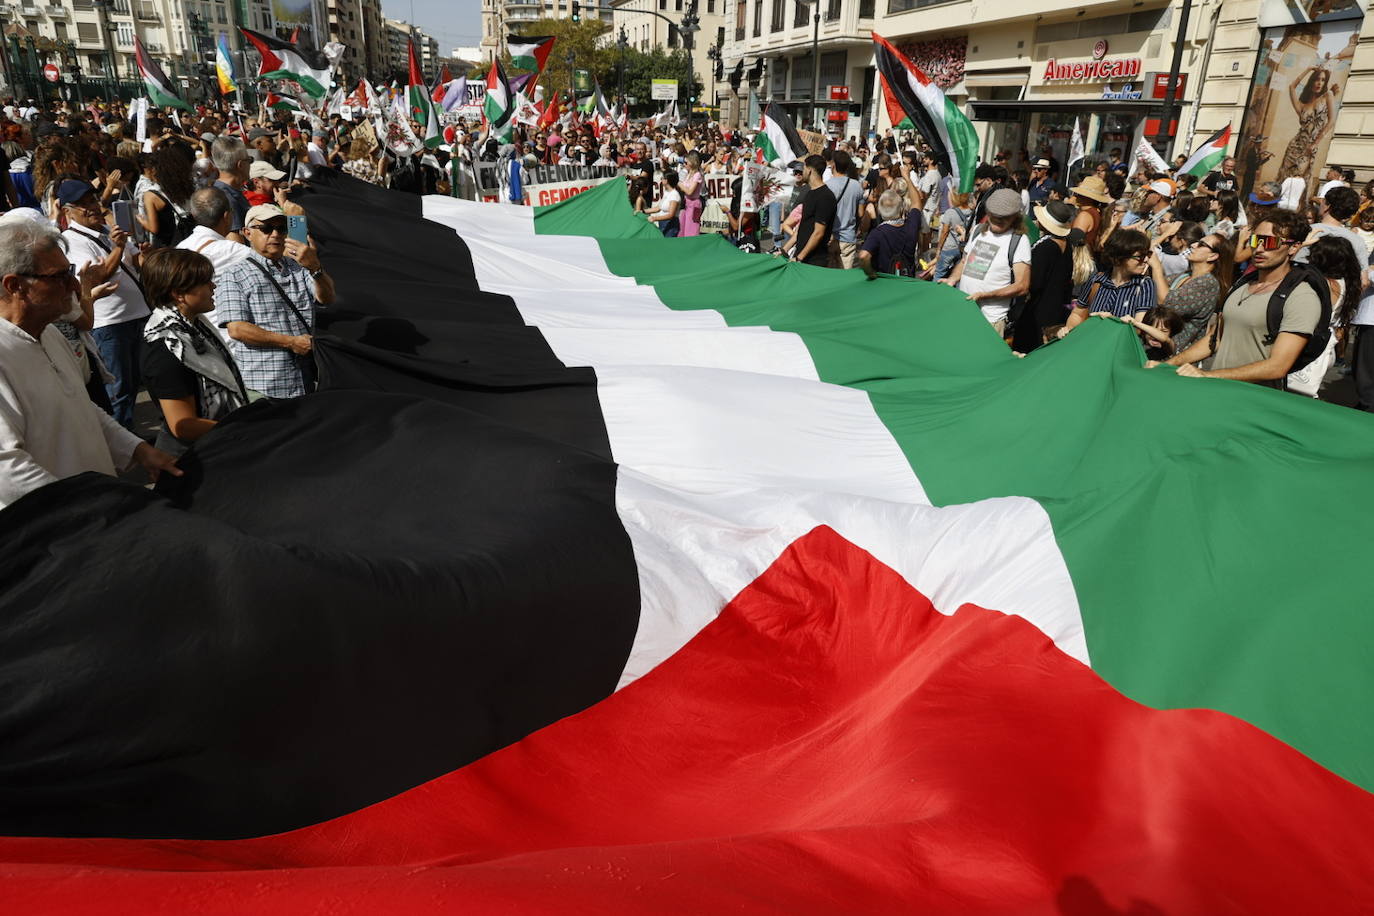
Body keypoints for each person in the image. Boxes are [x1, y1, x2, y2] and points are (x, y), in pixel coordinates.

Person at [0, 219, 180, 508]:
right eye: (60, 276)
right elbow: (7, 469)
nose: (75, 285)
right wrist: (87, 511)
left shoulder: (50, 334)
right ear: (15, 285)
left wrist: (137, 449)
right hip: (55, 532)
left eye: (70, 272)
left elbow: (81, 407)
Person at [1164, 211, 1321, 387]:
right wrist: (1167, 365)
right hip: (1216, 391)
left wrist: (1208, 375)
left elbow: (1278, 366)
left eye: (1270, 242)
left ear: (1294, 247)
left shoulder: (1301, 296)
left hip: (1253, 401)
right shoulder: (1241, 285)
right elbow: (1214, 340)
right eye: (1255, 240)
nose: (1259, 248)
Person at [58, 178, 152, 430]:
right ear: (68, 211)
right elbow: (94, 277)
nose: (91, 208)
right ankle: (119, 448)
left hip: (137, 315)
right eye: (82, 205)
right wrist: (119, 248)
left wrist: (144, 251)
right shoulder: (70, 240)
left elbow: (136, 262)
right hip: (110, 323)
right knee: (118, 388)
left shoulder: (107, 231)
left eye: (92, 200)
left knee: (135, 382)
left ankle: (130, 438)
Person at [215, 204, 334, 399]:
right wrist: (291, 342)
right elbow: (237, 329)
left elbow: (327, 298)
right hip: (267, 382)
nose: (276, 234)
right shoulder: (234, 274)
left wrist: (316, 268)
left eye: (281, 228)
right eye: (266, 228)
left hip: (306, 376)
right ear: (247, 233)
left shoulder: (299, 266)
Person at [139, 248, 249, 456]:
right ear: (179, 294)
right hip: (195, 457)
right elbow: (183, 425)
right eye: (205, 282)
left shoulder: (192, 325)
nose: (213, 286)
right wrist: (244, 428)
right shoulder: (167, 345)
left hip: (218, 444)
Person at [943, 187, 1030, 334]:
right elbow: (964, 262)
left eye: (1004, 218)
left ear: (1015, 217)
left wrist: (986, 295)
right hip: (965, 313)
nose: (997, 220)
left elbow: (1022, 285)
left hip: (991, 320)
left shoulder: (1019, 240)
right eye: (994, 216)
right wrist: (952, 279)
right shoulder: (978, 230)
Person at [1148, 231, 1233, 354]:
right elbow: (1154, 286)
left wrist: (1156, 266)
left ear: (1212, 256)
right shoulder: (1185, 276)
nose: (1193, 245)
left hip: (1177, 355)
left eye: (1201, 244)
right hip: (1157, 348)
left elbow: (1166, 303)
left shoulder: (1208, 284)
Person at [1011, 200, 1076, 353]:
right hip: (1055, 307)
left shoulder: (1045, 247)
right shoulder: (1065, 245)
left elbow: (1035, 282)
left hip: (1038, 309)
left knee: (1028, 350)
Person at [1065, 228, 1156, 330]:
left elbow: (1139, 328)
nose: (1146, 260)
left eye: (1148, 254)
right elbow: (1078, 314)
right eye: (1140, 257)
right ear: (1118, 258)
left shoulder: (1144, 285)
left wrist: (1111, 320)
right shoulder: (1096, 280)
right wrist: (1068, 331)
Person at [1280, 67, 1336, 184]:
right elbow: (1292, 87)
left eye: (1323, 80)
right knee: (1284, 178)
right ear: (1311, 82)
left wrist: (1316, 143)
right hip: (1295, 145)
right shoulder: (1302, 106)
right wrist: (1308, 69)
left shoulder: (1327, 95)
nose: (1319, 83)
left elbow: (1331, 121)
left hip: (1309, 147)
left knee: (1299, 179)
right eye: (1316, 79)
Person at [1296, 185, 1369, 273]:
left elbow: (1293, 264)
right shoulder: (1357, 240)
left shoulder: (1308, 231)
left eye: (1322, 201)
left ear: (1327, 206)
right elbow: (1364, 279)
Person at [859, 190, 921, 279]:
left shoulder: (877, 233)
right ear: (901, 209)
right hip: (907, 281)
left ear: (879, 210)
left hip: (884, 284)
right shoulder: (911, 226)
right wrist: (907, 179)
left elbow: (863, 256)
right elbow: (916, 203)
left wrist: (870, 273)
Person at [790, 154, 836, 267]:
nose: (802, 171)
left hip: (814, 260)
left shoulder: (826, 196)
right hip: (801, 257)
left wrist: (800, 257)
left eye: (804, 168)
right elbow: (803, 226)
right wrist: (784, 250)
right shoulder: (809, 193)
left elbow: (818, 232)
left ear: (809, 170)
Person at [825, 150, 863, 269]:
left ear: (834, 165)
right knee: (845, 277)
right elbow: (861, 213)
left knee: (829, 276)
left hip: (830, 237)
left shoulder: (827, 185)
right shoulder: (857, 185)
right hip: (848, 237)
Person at [211, 136, 252, 231]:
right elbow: (235, 242)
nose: (250, 165)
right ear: (241, 165)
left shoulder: (226, 191)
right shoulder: (228, 199)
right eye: (249, 160)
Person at [933, 190, 973, 280]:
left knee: (939, 274)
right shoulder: (971, 212)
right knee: (956, 276)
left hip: (948, 248)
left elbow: (944, 232)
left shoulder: (950, 212)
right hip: (962, 249)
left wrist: (939, 249)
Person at [647, 169, 682, 237]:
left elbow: (671, 215)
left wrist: (654, 218)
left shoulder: (674, 195)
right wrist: (643, 211)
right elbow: (658, 208)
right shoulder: (667, 192)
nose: (661, 179)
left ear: (667, 180)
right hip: (663, 224)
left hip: (671, 226)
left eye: (662, 178)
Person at [678, 151, 704, 237]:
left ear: (692, 162)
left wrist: (679, 184)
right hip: (686, 203)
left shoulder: (697, 175)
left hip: (694, 205)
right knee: (682, 228)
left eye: (686, 162)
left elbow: (690, 191)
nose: (684, 164)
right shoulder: (688, 174)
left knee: (691, 230)